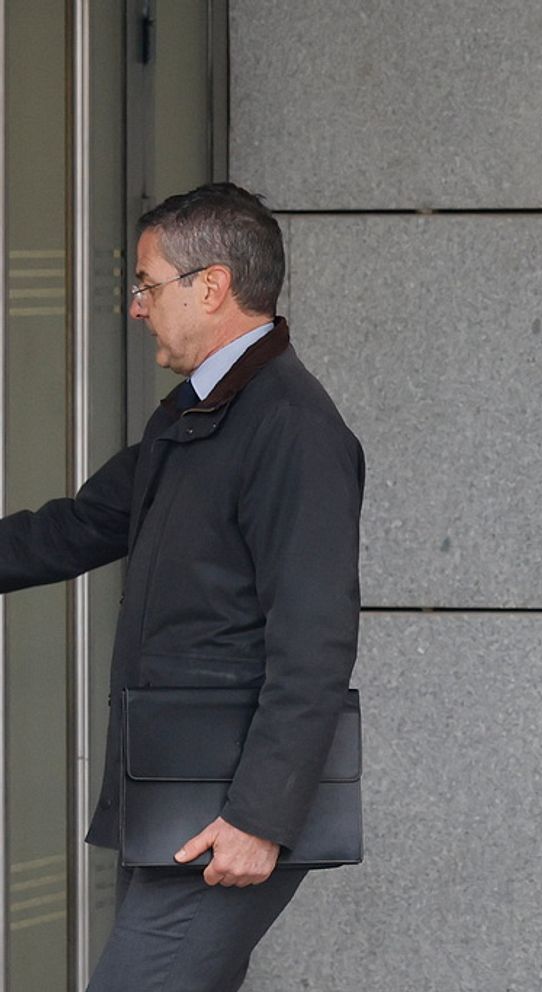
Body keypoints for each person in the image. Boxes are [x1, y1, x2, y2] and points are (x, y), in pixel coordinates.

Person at [0, 183, 364, 990]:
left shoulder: (291, 427)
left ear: (212, 286)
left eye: (147, 284)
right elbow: (70, 529)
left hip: (222, 816)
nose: (135, 307)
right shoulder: (196, 415)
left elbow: (314, 642)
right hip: (175, 802)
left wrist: (259, 818)